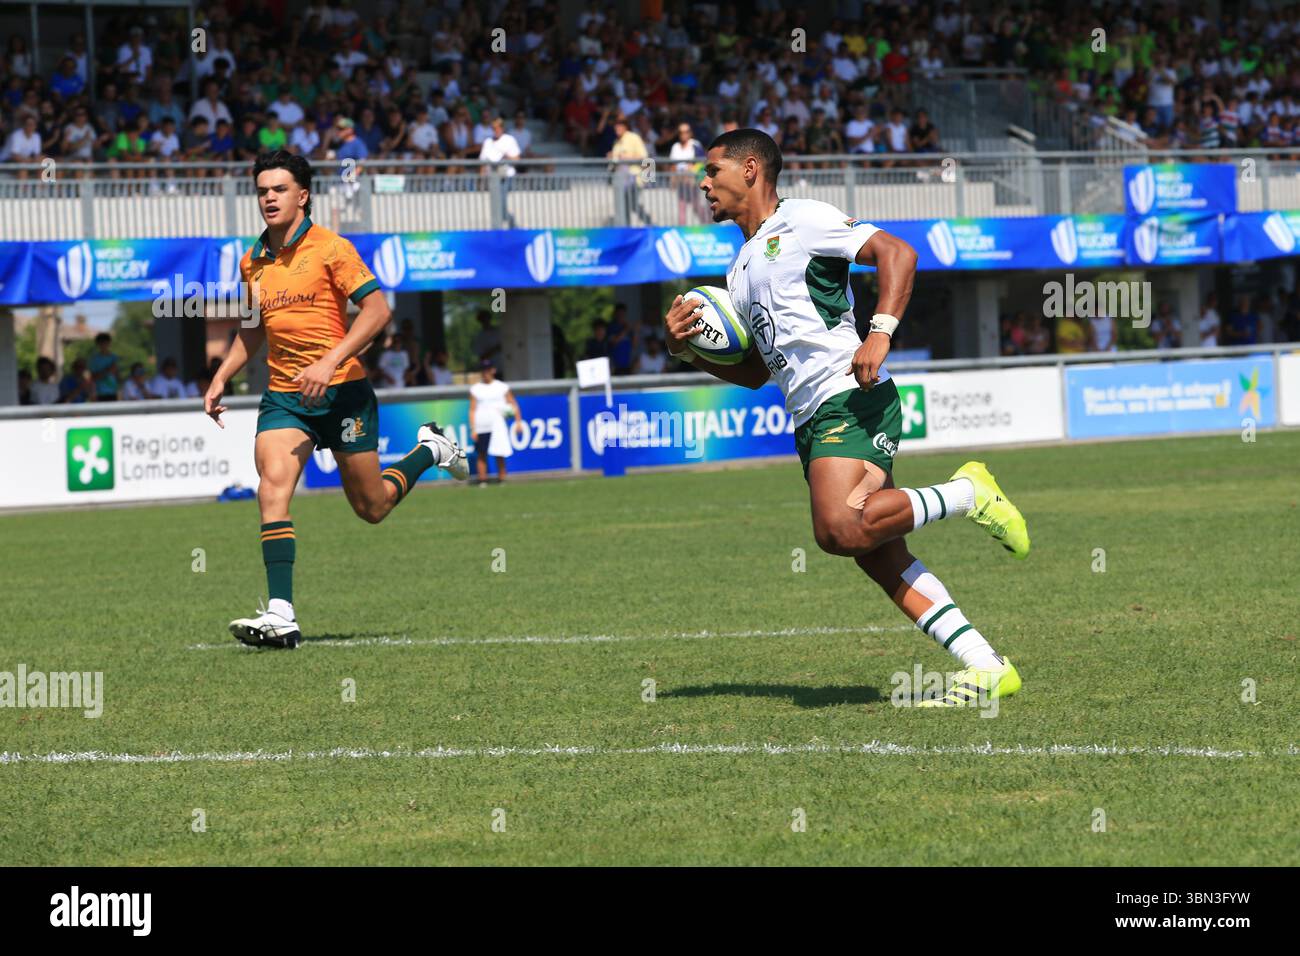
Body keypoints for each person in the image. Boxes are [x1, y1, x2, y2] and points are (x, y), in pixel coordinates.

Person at [665, 128, 1028, 707]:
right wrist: (686, 351)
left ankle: (968, 493)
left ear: (751, 169)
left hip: (850, 394)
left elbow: (897, 253)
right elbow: (758, 372)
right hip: (809, 416)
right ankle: (986, 667)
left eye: (713, 171)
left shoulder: (803, 220)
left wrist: (880, 332)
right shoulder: (738, 271)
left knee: (838, 528)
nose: (704, 183)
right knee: (875, 552)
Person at [205, 150, 467, 650]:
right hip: (285, 397)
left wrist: (330, 361)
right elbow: (252, 329)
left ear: (302, 195)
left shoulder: (332, 248)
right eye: (262, 190)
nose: (268, 198)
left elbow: (377, 310)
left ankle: (429, 450)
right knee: (271, 488)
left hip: (344, 392)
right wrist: (221, 375)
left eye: (279, 189)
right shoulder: (252, 260)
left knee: (372, 507)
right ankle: (281, 612)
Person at [468, 359, 523, 484]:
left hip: (498, 425)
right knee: (482, 453)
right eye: (483, 370)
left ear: (493, 370)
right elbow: (472, 409)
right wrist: (473, 428)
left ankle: (502, 478)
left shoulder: (502, 387)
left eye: (488, 369)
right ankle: (483, 480)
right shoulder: (476, 389)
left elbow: (513, 404)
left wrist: (518, 421)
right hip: (482, 426)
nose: (486, 372)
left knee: (500, 452)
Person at [87, 332, 120, 401]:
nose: (104, 345)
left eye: (106, 342)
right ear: (98, 344)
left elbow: (117, 376)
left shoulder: (114, 357)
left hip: (113, 392)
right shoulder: (94, 359)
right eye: (101, 343)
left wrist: (118, 391)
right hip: (99, 393)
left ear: (109, 343)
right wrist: (108, 370)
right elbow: (93, 378)